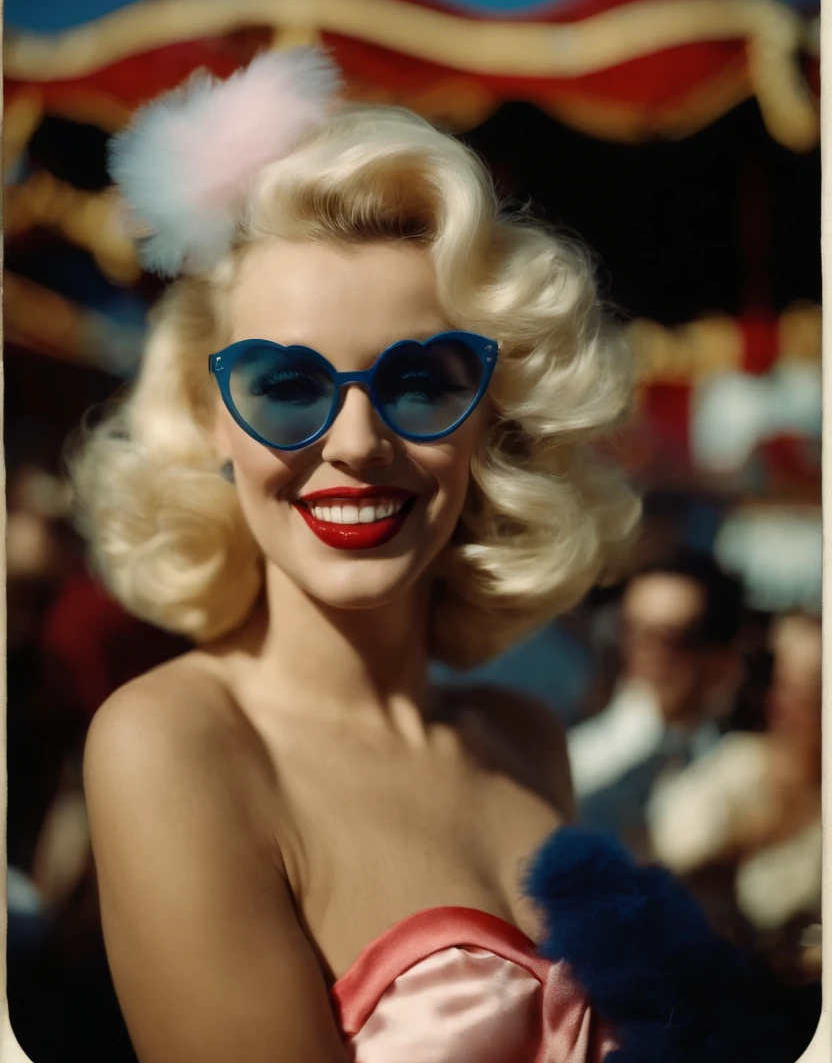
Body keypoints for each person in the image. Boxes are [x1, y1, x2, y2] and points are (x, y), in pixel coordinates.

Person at [70, 52, 800, 1063]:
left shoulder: (523, 734)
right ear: (211, 420)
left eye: (422, 379)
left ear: (492, 422)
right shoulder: (175, 743)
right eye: (285, 383)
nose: (358, 441)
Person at [647, 611, 822, 982]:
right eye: (780, 681)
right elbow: (674, 844)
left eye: (809, 689)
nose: (783, 700)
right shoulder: (739, 767)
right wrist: (738, 838)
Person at [567, 552, 745, 851]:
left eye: (669, 639)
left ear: (721, 658)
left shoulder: (737, 769)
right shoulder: (569, 746)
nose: (644, 654)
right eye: (632, 631)